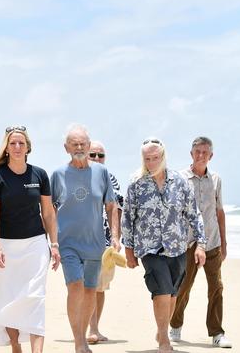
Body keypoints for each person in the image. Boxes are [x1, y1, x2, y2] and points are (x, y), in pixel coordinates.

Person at [0, 126, 60, 353]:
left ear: (28, 147)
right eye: (13, 143)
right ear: (6, 148)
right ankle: (15, 344)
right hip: (6, 245)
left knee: (36, 298)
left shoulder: (39, 175)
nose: (17, 147)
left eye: (21, 143)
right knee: (9, 298)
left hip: (36, 244)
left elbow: (48, 213)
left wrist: (54, 244)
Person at [123, 138, 207, 353]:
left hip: (177, 246)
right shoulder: (136, 183)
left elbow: (193, 213)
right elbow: (128, 217)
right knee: (160, 290)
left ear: (163, 156)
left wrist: (200, 245)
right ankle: (164, 342)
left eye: (155, 158)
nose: (151, 162)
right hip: (149, 248)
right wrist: (129, 250)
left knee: (172, 294)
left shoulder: (180, 181)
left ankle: (161, 331)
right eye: (147, 159)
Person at [50, 125, 119, 353]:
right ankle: (79, 340)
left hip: (95, 245)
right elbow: (49, 209)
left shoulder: (101, 173)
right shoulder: (58, 175)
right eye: (74, 144)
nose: (79, 147)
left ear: (89, 146)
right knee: (75, 286)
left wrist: (116, 237)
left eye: (83, 144)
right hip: (67, 243)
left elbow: (111, 206)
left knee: (90, 289)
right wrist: (52, 242)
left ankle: (84, 335)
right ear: (66, 147)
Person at [170, 136, 232, 348]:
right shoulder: (179, 177)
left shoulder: (216, 179)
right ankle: (175, 325)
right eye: (197, 151)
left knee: (216, 287)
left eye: (205, 152)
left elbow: (219, 212)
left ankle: (217, 332)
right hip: (187, 243)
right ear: (191, 154)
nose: (201, 155)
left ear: (211, 156)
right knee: (184, 286)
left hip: (212, 242)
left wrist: (224, 243)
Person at [86, 140, 124, 344]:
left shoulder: (110, 178)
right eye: (93, 155)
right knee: (85, 286)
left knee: (100, 287)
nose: (97, 159)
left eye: (101, 155)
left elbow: (116, 208)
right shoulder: (76, 176)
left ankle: (94, 328)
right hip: (81, 241)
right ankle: (84, 328)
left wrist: (116, 238)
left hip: (104, 243)